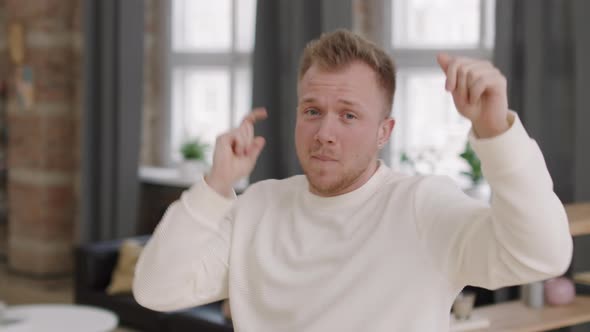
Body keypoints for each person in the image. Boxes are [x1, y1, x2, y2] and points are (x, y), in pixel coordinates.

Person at [133, 29, 572, 331]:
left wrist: (496, 133)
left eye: (348, 115)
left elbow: (543, 256)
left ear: (384, 131)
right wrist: (214, 188)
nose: (325, 132)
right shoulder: (257, 207)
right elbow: (155, 289)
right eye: (312, 111)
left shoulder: (422, 206)